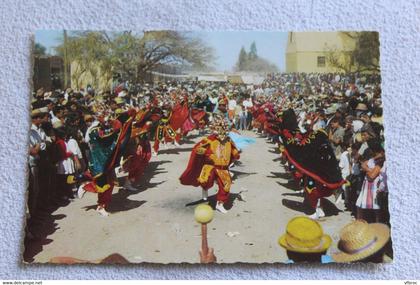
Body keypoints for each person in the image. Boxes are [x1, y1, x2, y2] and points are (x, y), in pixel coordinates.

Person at [179, 117, 240, 213]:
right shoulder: (209, 140)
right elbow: (198, 150)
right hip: (211, 166)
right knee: (205, 180)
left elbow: (234, 153)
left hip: (223, 169)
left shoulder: (229, 142)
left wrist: (236, 153)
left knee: (226, 186)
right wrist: (207, 154)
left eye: (224, 130)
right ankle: (204, 188)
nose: (222, 133)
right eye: (219, 129)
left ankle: (220, 204)